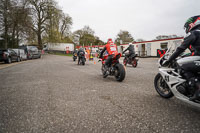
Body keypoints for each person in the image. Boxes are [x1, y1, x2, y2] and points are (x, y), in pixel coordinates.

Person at [162, 15, 200, 101]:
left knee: (183, 67)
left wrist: (169, 59)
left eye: (186, 26)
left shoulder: (194, 32)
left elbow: (181, 48)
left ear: (191, 24)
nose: (186, 29)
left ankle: (198, 89)